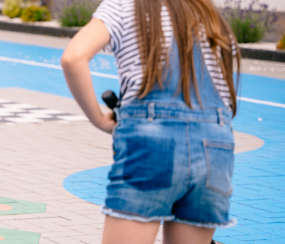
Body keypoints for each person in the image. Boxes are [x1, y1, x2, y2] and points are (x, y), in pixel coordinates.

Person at [60, 0, 240, 243]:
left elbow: (73, 57)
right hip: (215, 147)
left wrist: (100, 120)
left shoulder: (123, 5)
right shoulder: (208, 13)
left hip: (153, 143)